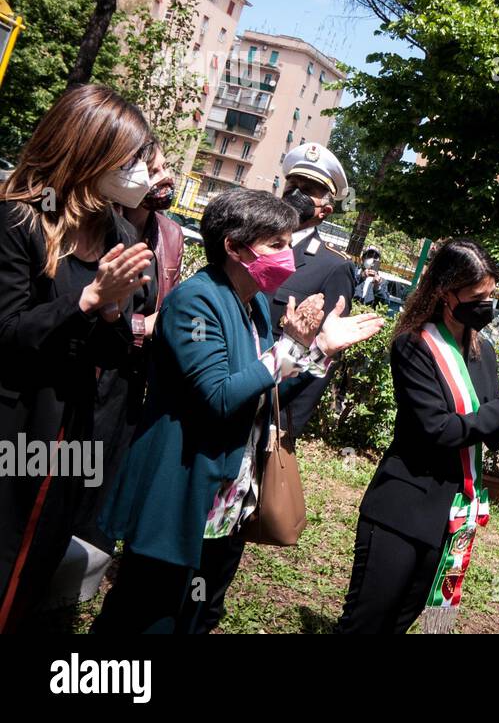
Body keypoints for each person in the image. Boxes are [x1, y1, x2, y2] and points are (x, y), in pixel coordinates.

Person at [93, 189, 384, 633]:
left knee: (197, 613)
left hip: (226, 499)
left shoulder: (256, 309)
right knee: (143, 616)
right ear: (233, 246)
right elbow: (220, 395)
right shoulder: (196, 301)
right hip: (180, 490)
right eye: (277, 245)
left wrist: (318, 351)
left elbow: (267, 391)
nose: (289, 256)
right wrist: (298, 346)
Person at [0, 85, 154, 632]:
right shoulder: (21, 221)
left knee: (34, 565)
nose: (142, 172)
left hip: (73, 431)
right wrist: (88, 298)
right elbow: (10, 332)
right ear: (90, 151)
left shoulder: (117, 233)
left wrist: (112, 313)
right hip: (16, 421)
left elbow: (114, 354)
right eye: (132, 159)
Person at [336, 239, 499, 634]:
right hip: (402, 510)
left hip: (453, 517)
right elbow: (440, 430)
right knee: (366, 622)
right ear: (445, 292)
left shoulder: (485, 354)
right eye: (478, 296)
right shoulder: (414, 347)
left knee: (405, 621)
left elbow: (491, 436)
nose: (487, 304)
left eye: (492, 295)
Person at [46, 139, 187, 608]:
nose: (165, 178)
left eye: (166, 169)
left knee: (99, 469)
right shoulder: (93, 226)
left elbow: (159, 298)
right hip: (85, 365)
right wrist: (132, 319)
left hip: (129, 369)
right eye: (157, 168)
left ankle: (72, 562)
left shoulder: (170, 235)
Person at [269, 142, 355, 441]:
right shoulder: (255, 245)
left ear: (326, 210)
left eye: (308, 190)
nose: (296, 193)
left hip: (273, 403)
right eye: (293, 184)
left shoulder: (333, 267)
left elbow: (324, 353)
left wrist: (284, 425)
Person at [353, 245, 391, 310]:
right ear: (363, 258)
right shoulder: (354, 272)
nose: (372, 259)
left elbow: (385, 305)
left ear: (379, 261)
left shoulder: (382, 282)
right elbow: (344, 287)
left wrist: (377, 288)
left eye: (375, 257)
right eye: (369, 256)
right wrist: (360, 277)